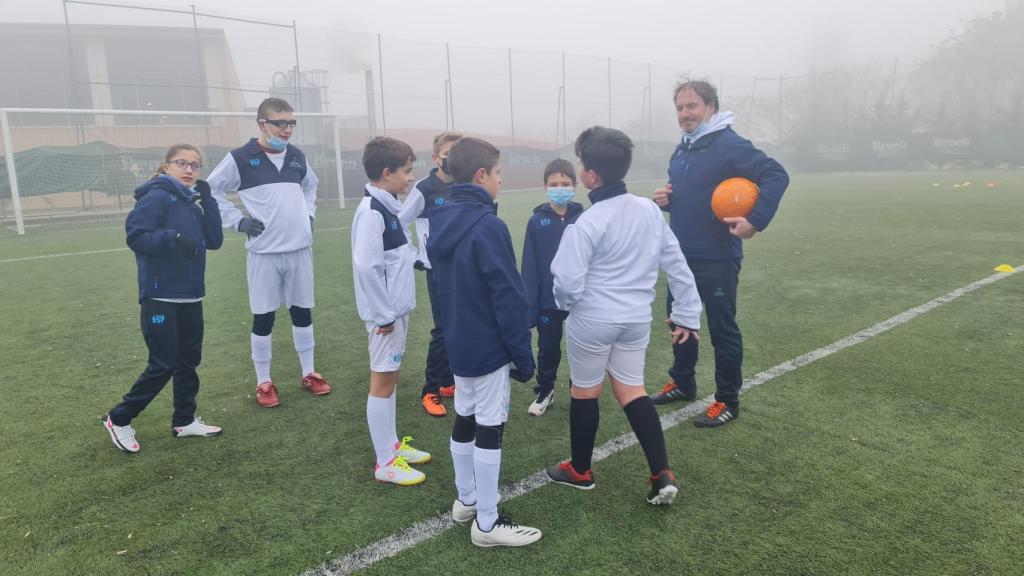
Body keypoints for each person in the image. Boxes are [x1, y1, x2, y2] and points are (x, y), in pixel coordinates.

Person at [545, 127, 702, 506]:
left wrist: (570, 304)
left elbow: (566, 283)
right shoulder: (648, 209)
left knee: (585, 390)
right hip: (635, 320)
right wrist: (687, 315)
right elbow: (677, 264)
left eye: (581, 164)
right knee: (632, 389)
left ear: (590, 175)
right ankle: (661, 472)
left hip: (593, 320)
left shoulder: (588, 222)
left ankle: (580, 471)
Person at [650, 79, 789, 428]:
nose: (685, 114)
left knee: (721, 327)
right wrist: (669, 201)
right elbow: (695, 197)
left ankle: (727, 399)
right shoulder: (682, 149)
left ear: (710, 107)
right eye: (680, 108)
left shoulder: (729, 144)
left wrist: (755, 220)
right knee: (680, 321)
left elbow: (776, 174)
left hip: (717, 257)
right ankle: (683, 382)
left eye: (692, 106)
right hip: (682, 257)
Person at [427, 137, 542, 547]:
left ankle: (467, 499)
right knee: (490, 426)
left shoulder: (439, 219)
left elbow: (440, 290)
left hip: (459, 341)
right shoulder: (489, 225)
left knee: (466, 416)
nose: (500, 181)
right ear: (480, 176)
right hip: (488, 346)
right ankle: (488, 524)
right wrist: (523, 357)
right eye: (497, 174)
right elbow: (508, 297)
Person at [206, 97, 331, 408]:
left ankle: (309, 373)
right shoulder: (240, 157)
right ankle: (264, 382)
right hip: (264, 253)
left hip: (300, 250)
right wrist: (237, 221)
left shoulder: (297, 156)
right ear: (262, 124)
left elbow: (311, 187)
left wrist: (309, 215)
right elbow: (210, 189)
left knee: (302, 313)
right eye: (280, 123)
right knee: (263, 318)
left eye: (291, 123)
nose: (287, 129)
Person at [103, 144, 225, 453]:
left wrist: (209, 201)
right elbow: (136, 236)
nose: (189, 169)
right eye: (182, 163)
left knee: (188, 361)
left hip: (191, 295)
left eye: (195, 165)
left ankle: (184, 420)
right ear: (166, 166)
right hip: (160, 296)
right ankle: (119, 418)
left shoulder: (192, 200)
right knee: (163, 363)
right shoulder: (157, 195)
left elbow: (214, 240)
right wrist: (172, 237)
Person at [352, 136, 431, 486]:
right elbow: (366, 266)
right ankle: (385, 461)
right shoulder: (371, 211)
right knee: (382, 382)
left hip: (397, 310)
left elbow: (396, 255)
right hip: (386, 316)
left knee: (391, 378)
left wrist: (420, 260)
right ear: (387, 173)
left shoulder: (390, 205)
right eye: (406, 171)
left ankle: (393, 444)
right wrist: (383, 315)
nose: (411, 178)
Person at [397, 131, 463, 417]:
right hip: (438, 271)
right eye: (448, 153)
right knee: (443, 329)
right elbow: (399, 221)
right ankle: (431, 389)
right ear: (436, 157)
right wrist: (415, 256)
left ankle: (448, 382)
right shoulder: (425, 187)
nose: (454, 159)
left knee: (458, 326)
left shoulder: (465, 183)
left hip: (462, 269)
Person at [519, 158, 584, 416]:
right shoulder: (536, 221)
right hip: (549, 298)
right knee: (548, 348)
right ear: (545, 187)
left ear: (574, 186)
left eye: (565, 183)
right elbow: (530, 267)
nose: (560, 188)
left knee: (581, 346)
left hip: (580, 298)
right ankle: (546, 389)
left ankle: (579, 389)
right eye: (554, 184)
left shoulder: (585, 217)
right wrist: (530, 306)